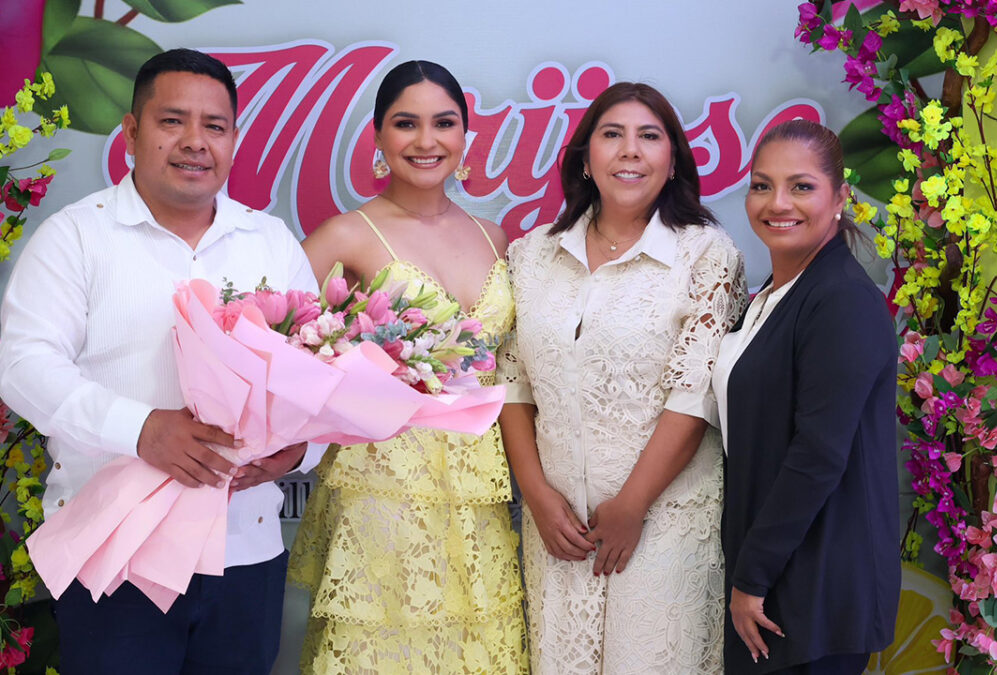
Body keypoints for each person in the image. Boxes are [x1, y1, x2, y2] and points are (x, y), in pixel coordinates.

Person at [0, 48, 322, 674]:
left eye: (214, 126)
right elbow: (25, 369)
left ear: (233, 140)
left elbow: (317, 377)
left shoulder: (270, 241)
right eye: (172, 121)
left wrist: (298, 451)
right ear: (131, 132)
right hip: (117, 551)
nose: (195, 142)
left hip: (244, 552)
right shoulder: (75, 237)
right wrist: (141, 429)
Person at [287, 60, 529, 673]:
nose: (427, 141)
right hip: (385, 485)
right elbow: (275, 347)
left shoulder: (496, 238)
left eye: (444, 123)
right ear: (377, 136)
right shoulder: (345, 236)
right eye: (406, 123)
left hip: (479, 488)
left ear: (466, 135)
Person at [497, 81, 746, 674]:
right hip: (559, 530)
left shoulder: (705, 254)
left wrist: (632, 505)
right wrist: (537, 496)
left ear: (672, 160)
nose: (630, 150)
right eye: (612, 134)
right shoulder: (531, 256)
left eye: (649, 136)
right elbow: (512, 387)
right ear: (586, 158)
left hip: (663, 522)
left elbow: (695, 396)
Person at [713, 119, 899, 675]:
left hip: (817, 584)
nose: (778, 203)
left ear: (840, 198)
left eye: (801, 186)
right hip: (779, 569)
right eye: (762, 185)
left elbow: (817, 455)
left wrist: (752, 578)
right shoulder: (770, 297)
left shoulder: (842, 300)